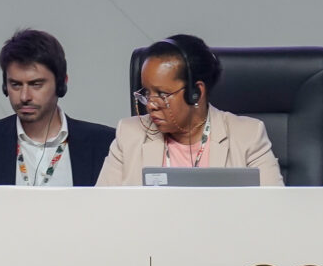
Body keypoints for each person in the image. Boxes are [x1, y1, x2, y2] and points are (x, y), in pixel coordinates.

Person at [96, 34, 283, 186]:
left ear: (196, 92)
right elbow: (102, 211)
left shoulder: (248, 136)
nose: (150, 104)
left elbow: (274, 211)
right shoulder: (129, 134)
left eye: (162, 94)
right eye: (146, 92)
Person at [0, 29, 114, 186]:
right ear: (4, 86)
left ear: (60, 83)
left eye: (36, 84)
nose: (24, 97)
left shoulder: (104, 143)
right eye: (15, 85)